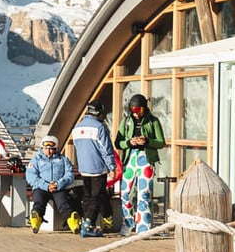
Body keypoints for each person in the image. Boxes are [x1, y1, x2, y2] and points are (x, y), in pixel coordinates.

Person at [115, 93, 167, 235]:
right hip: (130, 159)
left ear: (144, 108)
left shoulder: (153, 121)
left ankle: (143, 228)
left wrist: (147, 141)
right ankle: (128, 223)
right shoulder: (126, 121)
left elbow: (161, 142)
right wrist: (128, 142)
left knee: (144, 194)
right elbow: (118, 142)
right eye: (133, 110)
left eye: (139, 110)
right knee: (125, 193)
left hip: (146, 159)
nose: (136, 113)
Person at [70, 101, 119, 238]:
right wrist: (112, 167)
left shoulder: (77, 128)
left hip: (84, 167)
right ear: (99, 112)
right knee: (95, 197)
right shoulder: (99, 128)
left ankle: (100, 218)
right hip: (98, 167)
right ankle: (88, 225)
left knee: (88, 195)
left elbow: (78, 147)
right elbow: (106, 149)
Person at [24, 137, 75, 233]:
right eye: (46, 148)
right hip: (41, 187)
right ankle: (36, 219)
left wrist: (58, 184)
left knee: (63, 203)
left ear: (55, 149)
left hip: (58, 188)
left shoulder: (63, 159)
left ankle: (72, 221)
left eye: (51, 149)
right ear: (42, 148)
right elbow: (31, 176)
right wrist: (46, 186)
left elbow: (69, 175)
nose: (48, 151)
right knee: (39, 202)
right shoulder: (36, 159)